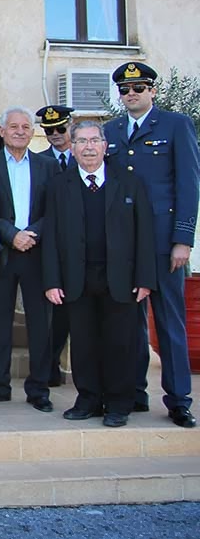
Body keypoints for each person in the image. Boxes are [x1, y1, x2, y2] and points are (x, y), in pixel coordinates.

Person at [103, 62, 199, 428]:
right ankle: (133, 392)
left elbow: (188, 185)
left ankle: (178, 399)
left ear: (152, 90)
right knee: (128, 324)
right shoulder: (110, 131)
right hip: (124, 247)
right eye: (125, 90)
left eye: (138, 88)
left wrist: (182, 239)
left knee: (169, 321)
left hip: (162, 244)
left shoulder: (176, 125)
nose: (131, 95)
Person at [43, 120, 156, 428]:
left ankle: (119, 403)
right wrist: (52, 281)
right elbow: (51, 236)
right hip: (77, 280)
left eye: (94, 140)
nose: (89, 147)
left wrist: (146, 278)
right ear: (73, 147)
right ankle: (88, 399)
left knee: (121, 343)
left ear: (105, 146)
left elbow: (144, 233)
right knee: (83, 343)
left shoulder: (129, 182)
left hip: (120, 279)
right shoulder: (59, 185)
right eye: (82, 141)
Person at [0, 106, 58, 413]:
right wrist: (11, 234)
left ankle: (38, 388)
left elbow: (54, 210)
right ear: (1, 131)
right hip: (1, 253)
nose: (20, 131)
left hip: (37, 254)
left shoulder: (48, 166)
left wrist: (32, 234)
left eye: (26, 126)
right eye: (14, 126)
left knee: (41, 325)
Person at [37, 104, 75, 386]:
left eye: (60, 129)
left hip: (84, 249)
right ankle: (49, 367)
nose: (55, 135)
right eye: (49, 130)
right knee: (53, 317)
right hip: (51, 248)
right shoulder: (40, 162)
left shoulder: (90, 157)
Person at [38, 105, 75, 172]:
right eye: (49, 131)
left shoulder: (83, 156)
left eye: (61, 129)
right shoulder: (37, 161)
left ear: (71, 128)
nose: (55, 133)